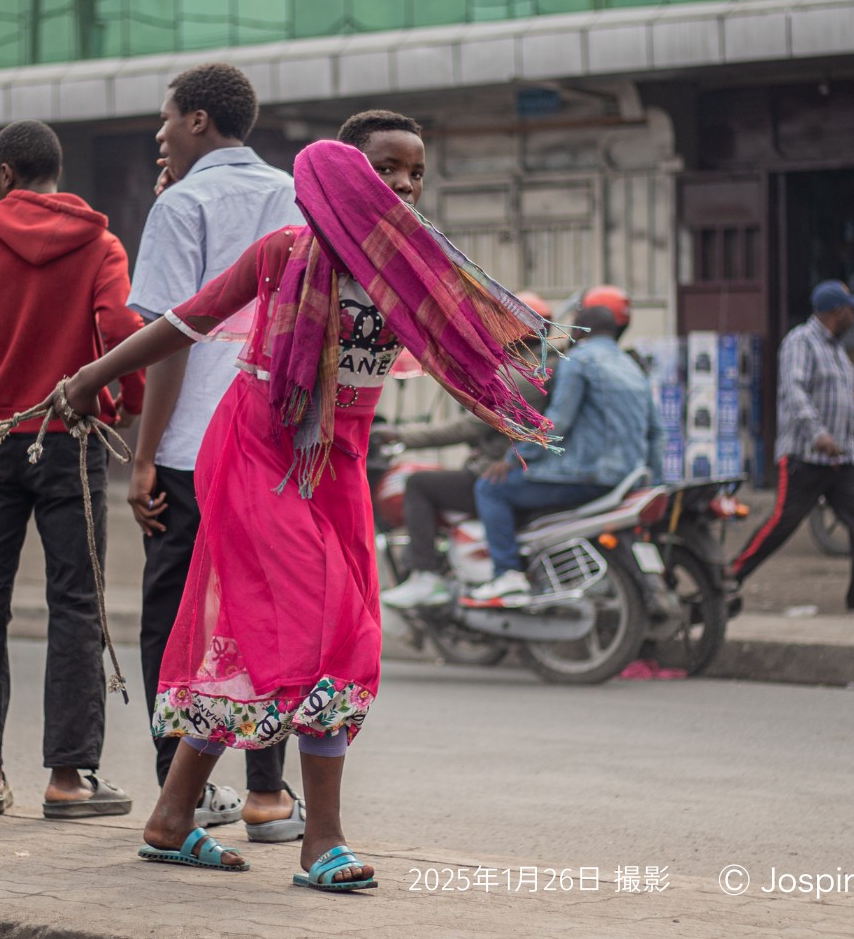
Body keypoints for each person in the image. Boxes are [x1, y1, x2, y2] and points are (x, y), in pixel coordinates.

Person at [58, 139, 554, 890]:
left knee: (252, 642)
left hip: (339, 464)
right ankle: (322, 842)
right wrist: (91, 376)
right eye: (385, 170)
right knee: (334, 633)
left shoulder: (414, 269)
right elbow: (186, 322)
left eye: (415, 173)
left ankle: (169, 818)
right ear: (334, 185)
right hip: (257, 451)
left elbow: (486, 337)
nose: (403, 186)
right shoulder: (285, 252)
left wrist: (529, 386)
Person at [0, 119, 145, 821]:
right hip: (70, 437)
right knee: (75, 603)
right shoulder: (101, 244)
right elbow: (122, 331)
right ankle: (67, 777)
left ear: (2, 175)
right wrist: (123, 403)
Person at [125, 63, 305, 837]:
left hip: (193, 447)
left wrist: (142, 456)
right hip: (274, 445)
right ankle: (268, 795)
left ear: (198, 120)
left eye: (166, 119)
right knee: (267, 612)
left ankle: (183, 793)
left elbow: (168, 342)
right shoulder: (296, 197)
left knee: (173, 615)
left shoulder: (182, 204)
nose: (159, 134)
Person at [466, 304, 662, 604]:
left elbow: (558, 422)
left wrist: (515, 457)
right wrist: (653, 482)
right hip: (628, 479)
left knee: (490, 488)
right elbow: (655, 432)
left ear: (576, 330)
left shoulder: (578, 361)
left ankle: (506, 574)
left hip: (584, 476)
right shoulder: (631, 366)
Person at [378, 288, 558, 610]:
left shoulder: (521, 377)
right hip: (522, 468)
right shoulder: (543, 369)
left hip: (498, 472)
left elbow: (470, 426)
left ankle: (426, 575)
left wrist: (402, 434)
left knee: (418, 485)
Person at [729, 280, 854, 612]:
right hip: (804, 456)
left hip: (841, 459)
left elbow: (840, 403)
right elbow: (794, 392)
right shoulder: (800, 342)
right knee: (781, 524)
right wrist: (817, 434)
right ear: (837, 313)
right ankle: (730, 575)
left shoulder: (836, 347)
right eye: (851, 310)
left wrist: (850, 447)